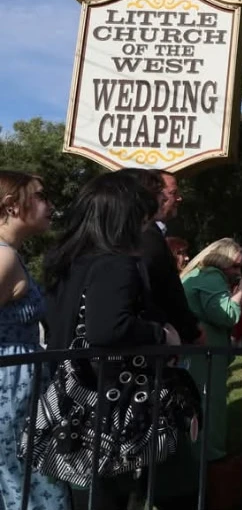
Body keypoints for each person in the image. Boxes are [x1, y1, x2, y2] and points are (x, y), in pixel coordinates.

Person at [43, 172, 183, 509]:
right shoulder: (116, 264)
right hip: (108, 408)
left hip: (70, 401)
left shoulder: (68, 261)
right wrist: (161, 335)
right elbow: (108, 329)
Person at [0, 171, 70, 510]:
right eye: (40, 196)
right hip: (9, 391)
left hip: (19, 386)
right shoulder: (4, 257)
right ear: (12, 206)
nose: (50, 205)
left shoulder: (10, 254)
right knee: (27, 486)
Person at [180, 238, 242, 461]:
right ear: (220, 262)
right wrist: (241, 291)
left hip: (195, 354)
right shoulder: (212, 276)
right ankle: (212, 458)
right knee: (211, 405)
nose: (238, 272)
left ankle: (194, 457)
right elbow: (225, 314)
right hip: (206, 357)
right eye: (235, 266)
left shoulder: (196, 275)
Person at [122, 169, 203, 346]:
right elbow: (166, 292)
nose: (179, 199)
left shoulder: (149, 234)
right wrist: (191, 332)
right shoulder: (147, 237)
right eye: (173, 193)